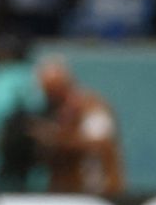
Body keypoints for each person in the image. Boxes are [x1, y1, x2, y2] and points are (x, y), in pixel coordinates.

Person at [33, 58, 124, 195]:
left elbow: (100, 143)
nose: (52, 98)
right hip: (68, 194)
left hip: (99, 191)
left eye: (55, 91)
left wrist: (58, 140)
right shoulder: (50, 113)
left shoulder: (93, 108)